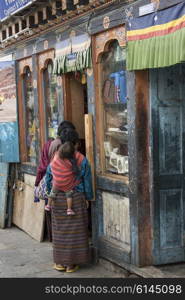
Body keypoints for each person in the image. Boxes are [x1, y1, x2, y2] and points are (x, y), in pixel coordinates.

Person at [45, 128, 93, 273]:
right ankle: (71, 265)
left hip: (58, 199)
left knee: (60, 232)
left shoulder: (56, 157)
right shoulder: (81, 159)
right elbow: (87, 180)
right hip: (75, 198)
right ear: (76, 144)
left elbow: (49, 178)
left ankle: (60, 262)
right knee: (76, 232)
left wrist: (50, 196)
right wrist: (88, 197)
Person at [46, 141, 78, 215]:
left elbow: (52, 166)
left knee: (52, 192)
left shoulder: (56, 156)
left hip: (56, 182)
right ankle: (69, 209)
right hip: (67, 184)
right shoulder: (71, 162)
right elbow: (74, 172)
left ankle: (48, 205)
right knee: (69, 194)